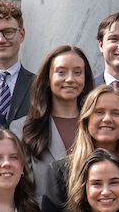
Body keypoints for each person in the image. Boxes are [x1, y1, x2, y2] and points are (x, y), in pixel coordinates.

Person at [47, 84, 119, 212]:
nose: (107, 119)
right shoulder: (61, 171)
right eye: (99, 112)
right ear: (86, 119)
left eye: (116, 113)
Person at [15, 43, 94, 202]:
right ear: (47, 79)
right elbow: (22, 189)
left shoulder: (96, 126)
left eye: (78, 72)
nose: (70, 79)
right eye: (61, 72)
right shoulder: (22, 128)